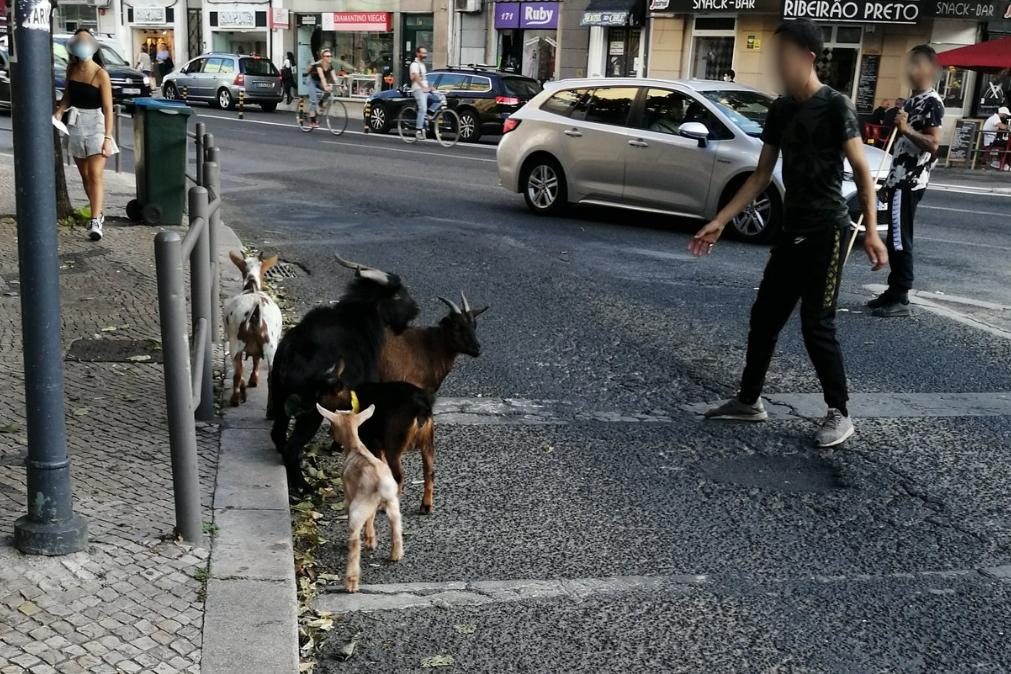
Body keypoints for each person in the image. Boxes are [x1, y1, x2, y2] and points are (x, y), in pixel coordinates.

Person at [690, 19, 887, 448]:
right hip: (792, 231)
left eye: (782, 56)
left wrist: (871, 232)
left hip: (827, 231)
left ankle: (839, 413)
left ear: (807, 57)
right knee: (764, 318)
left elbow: (863, 173)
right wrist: (721, 219)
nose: (776, 64)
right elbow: (762, 175)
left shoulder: (836, 106)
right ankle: (748, 401)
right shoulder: (781, 109)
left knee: (817, 324)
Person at [870, 46, 944, 317]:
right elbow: (900, 148)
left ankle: (900, 294)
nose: (909, 71)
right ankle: (893, 290)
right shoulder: (912, 101)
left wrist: (906, 129)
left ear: (927, 68)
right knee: (895, 237)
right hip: (899, 179)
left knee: (901, 239)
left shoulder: (932, 102)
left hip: (911, 181)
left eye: (915, 65)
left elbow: (933, 144)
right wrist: (889, 182)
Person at [53, 29, 118, 241]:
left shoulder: (101, 74)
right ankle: (96, 212)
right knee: (85, 176)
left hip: (97, 124)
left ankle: (95, 221)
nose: (82, 45)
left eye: (85, 41)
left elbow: (109, 108)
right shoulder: (71, 69)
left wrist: (108, 138)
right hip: (75, 124)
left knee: (95, 174)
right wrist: (60, 110)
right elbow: (68, 95)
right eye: (78, 41)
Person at [409, 46, 442, 141]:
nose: (425, 55)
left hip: (425, 88)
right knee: (422, 108)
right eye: (423, 53)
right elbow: (416, 77)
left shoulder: (422, 65)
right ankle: (419, 130)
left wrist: (430, 87)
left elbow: (424, 78)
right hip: (418, 89)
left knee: (439, 99)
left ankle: (427, 118)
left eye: (425, 53)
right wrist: (423, 88)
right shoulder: (414, 65)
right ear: (417, 53)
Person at [306, 49, 339, 128]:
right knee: (313, 101)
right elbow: (322, 78)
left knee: (329, 91)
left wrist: (339, 86)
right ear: (323, 57)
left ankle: (320, 103)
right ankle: (312, 121)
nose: (329, 57)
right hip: (312, 81)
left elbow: (335, 78)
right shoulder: (319, 65)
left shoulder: (330, 66)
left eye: (330, 56)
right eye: (327, 56)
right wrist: (325, 86)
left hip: (319, 82)